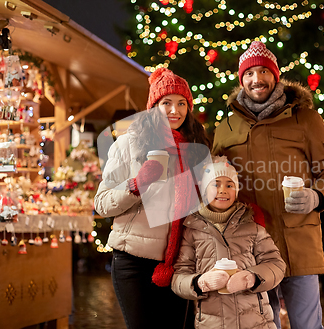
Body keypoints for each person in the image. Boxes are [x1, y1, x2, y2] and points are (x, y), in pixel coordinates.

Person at [212, 41, 324, 329]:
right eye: (249, 74)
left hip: (297, 243)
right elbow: (213, 184)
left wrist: (317, 196)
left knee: (307, 325)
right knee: (261, 325)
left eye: (263, 72)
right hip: (250, 248)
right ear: (241, 79)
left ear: (275, 76)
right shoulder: (225, 128)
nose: (256, 79)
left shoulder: (305, 119)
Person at [94, 67, 210, 329]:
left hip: (179, 262)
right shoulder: (129, 144)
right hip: (134, 262)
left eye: (182, 103)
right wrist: (137, 184)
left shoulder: (196, 147)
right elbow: (101, 204)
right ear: (153, 106)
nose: (175, 110)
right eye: (166, 103)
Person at [171, 156, 286, 328]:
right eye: (215, 184)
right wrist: (200, 282)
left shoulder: (252, 227)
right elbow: (179, 277)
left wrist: (251, 278)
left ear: (236, 190)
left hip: (256, 322)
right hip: (212, 323)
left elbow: (276, 264)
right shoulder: (192, 230)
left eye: (229, 185)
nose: (223, 190)